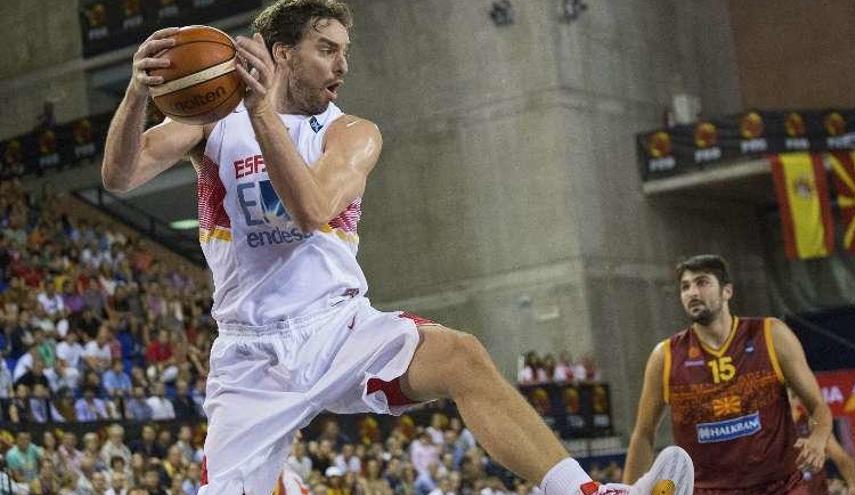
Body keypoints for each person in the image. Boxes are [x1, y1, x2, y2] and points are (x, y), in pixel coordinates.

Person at [101, 1, 692, 494]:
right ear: (282, 53)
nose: (342, 65)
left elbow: (311, 210)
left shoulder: (351, 132)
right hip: (250, 354)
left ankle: (590, 492)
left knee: (461, 356)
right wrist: (135, 93)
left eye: (345, 52)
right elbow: (119, 177)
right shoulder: (213, 122)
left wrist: (261, 112)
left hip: (337, 327)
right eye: (327, 49)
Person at [623, 255, 832, 494]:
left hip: (780, 487)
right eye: (685, 287)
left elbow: (818, 406)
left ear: (727, 291)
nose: (692, 292)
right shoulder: (665, 356)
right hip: (707, 490)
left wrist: (818, 437)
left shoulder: (771, 335)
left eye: (702, 282)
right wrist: (626, 491)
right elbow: (643, 433)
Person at [788, 391, 855, 495]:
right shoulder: (766, 429)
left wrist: (853, 486)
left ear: (796, 399)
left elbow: (841, 458)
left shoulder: (811, 424)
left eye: (789, 396)